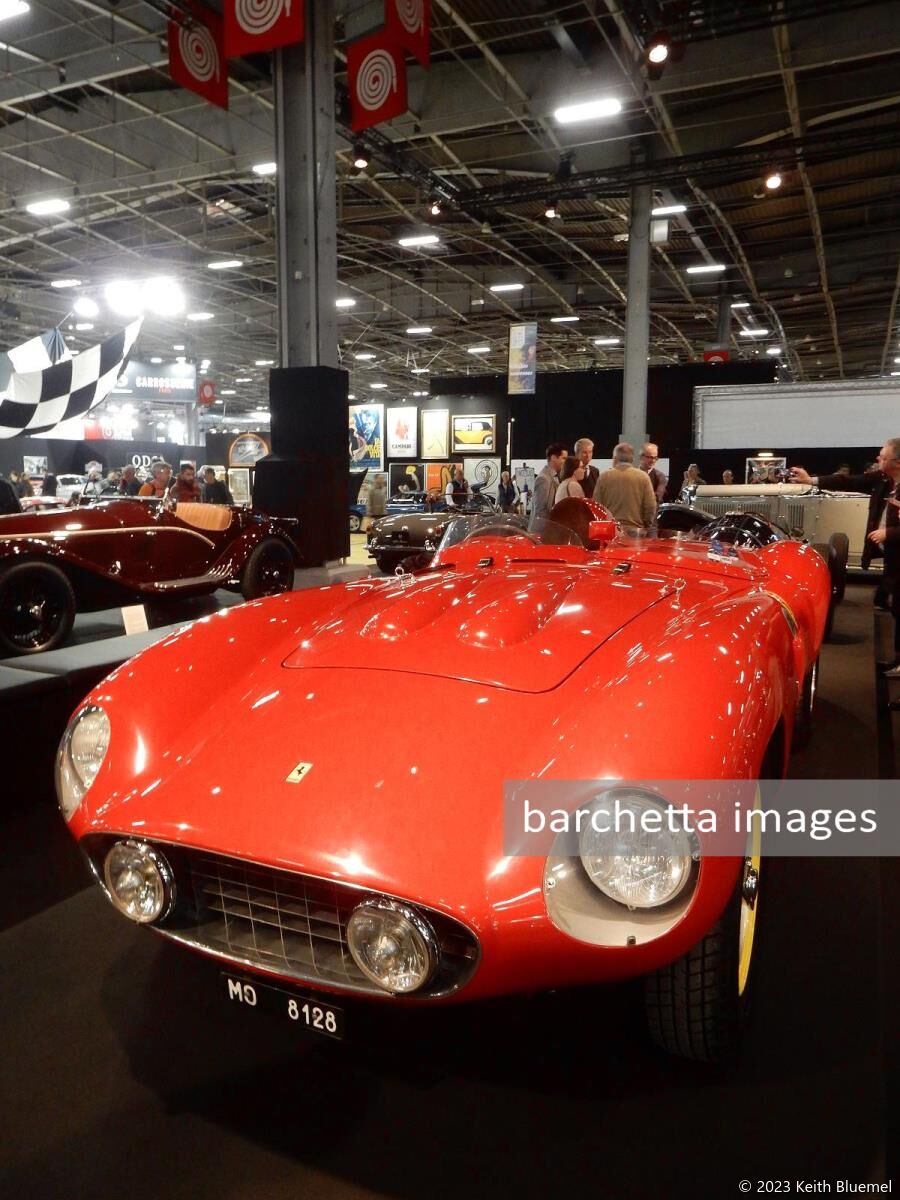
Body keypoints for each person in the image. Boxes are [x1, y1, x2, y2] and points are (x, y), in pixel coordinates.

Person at [791, 440, 900, 670]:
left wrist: (888, 533)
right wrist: (812, 480)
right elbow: (849, 481)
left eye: (882, 457)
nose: (877, 460)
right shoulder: (882, 479)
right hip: (893, 554)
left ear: (897, 462)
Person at [593, 442, 656, 532]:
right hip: (636, 531)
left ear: (615, 459)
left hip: (610, 531)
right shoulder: (643, 477)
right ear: (632, 459)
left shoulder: (604, 477)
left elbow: (597, 505)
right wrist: (646, 525)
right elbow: (650, 507)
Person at [529, 442, 567, 529]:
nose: (565, 462)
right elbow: (540, 510)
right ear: (553, 458)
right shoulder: (544, 479)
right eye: (563, 458)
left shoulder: (554, 477)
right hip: (542, 532)